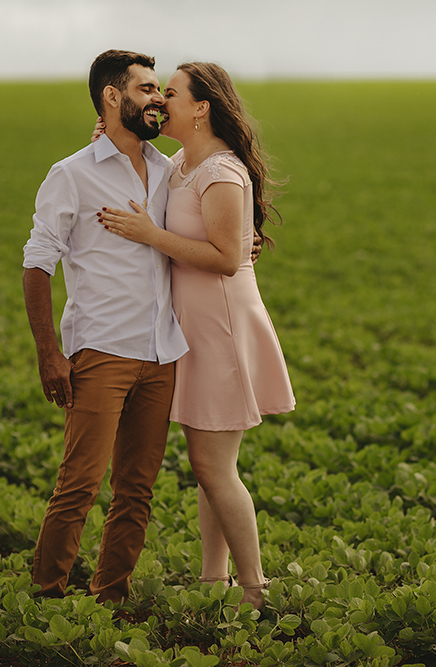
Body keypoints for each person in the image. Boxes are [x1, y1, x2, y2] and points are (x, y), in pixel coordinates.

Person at [96, 61, 295, 610]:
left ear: (202, 108)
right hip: (197, 329)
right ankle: (214, 580)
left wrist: (150, 235)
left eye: (173, 93)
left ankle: (254, 589)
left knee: (213, 465)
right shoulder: (183, 162)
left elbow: (230, 259)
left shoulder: (221, 172)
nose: (161, 100)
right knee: (207, 463)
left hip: (222, 329)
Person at [22, 49, 188, 605]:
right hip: (101, 350)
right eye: (146, 89)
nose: (158, 99)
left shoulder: (170, 171)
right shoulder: (70, 175)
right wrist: (50, 353)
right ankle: (47, 604)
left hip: (162, 354)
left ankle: (108, 601)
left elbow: (205, 229)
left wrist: (248, 240)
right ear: (112, 97)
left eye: (160, 89)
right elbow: (37, 263)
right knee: (78, 487)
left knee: (136, 492)